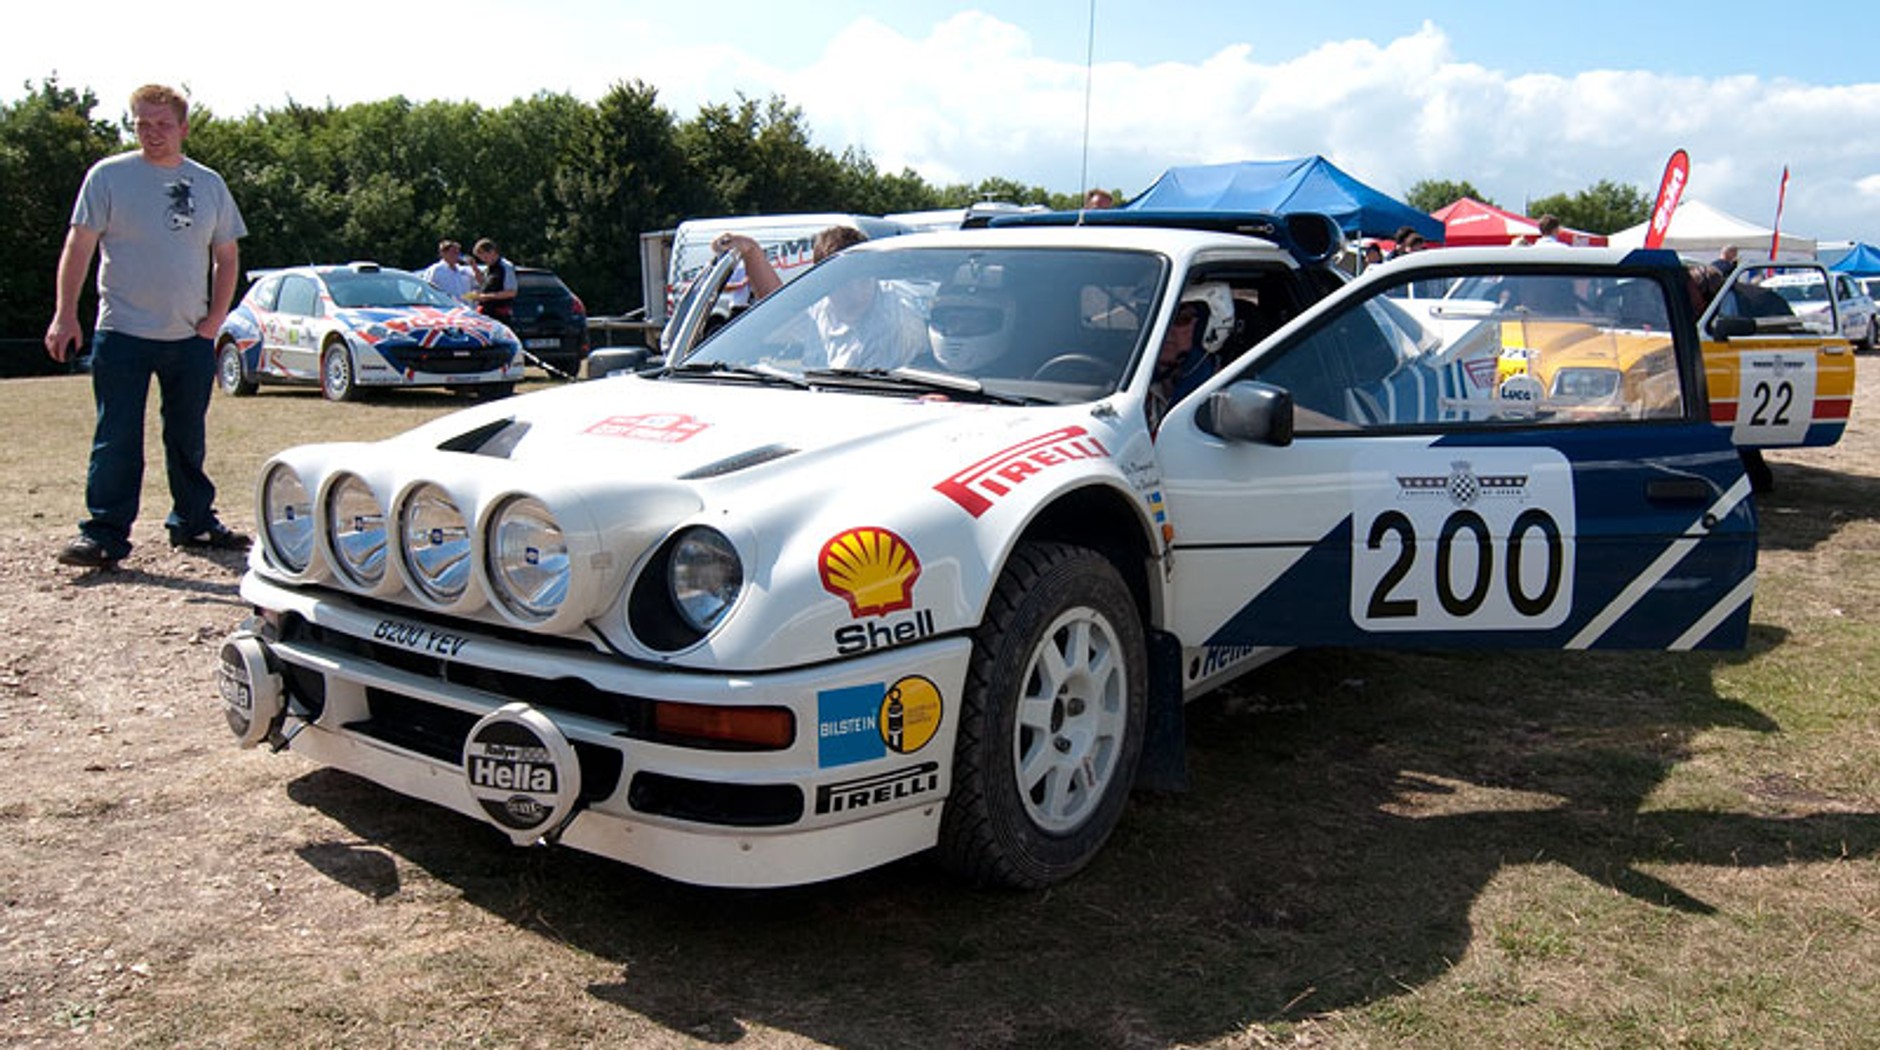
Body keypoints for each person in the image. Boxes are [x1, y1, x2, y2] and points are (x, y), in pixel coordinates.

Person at [44, 84, 249, 570]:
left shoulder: (209, 183)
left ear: (183, 128)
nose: (152, 134)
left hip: (189, 336)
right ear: (132, 125)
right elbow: (79, 247)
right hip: (122, 332)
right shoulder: (108, 177)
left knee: (187, 435)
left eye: (163, 124)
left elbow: (226, 256)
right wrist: (64, 313)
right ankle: (104, 536)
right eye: (142, 124)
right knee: (116, 436)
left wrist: (215, 318)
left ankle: (195, 523)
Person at [713, 225, 929, 369]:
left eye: (861, 278)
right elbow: (777, 309)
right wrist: (751, 252)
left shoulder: (896, 316)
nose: (855, 290)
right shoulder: (821, 309)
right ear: (823, 283)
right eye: (842, 282)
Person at [1147, 281, 1236, 431]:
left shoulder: (1223, 398)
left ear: (1207, 328)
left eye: (1180, 319)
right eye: (1155, 318)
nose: (1163, 330)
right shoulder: (1132, 381)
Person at [470, 238, 516, 321]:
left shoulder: (505, 267)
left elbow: (511, 292)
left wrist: (486, 297)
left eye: (485, 257)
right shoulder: (489, 268)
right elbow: (484, 283)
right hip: (486, 313)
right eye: (481, 258)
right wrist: (475, 268)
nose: (484, 260)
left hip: (499, 315)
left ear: (492, 252)